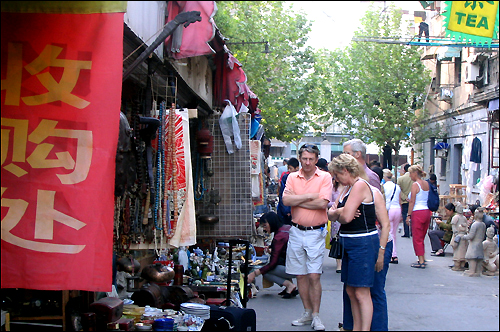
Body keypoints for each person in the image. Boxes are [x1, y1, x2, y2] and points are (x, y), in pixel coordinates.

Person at [328, 153, 389, 331]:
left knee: (362, 292)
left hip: (361, 243)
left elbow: (345, 217)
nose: (336, 179)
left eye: (337, 175)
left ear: (345, 170)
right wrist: (340, 211)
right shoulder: (347, 188)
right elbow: (332, 214)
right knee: (350, 290)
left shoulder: (360, 185)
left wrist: (340, 212)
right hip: (350, 242)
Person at [282, 143, 332, 331]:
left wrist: (300, 199)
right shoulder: (292, 177)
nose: (307, 162)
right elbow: (286, 201)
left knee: (314, 275)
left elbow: (323, 204)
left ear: (316, 159)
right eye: (304, 159)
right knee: (300, 276)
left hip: (316, 233)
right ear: (300, 158)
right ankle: (307, 312)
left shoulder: (325, 176)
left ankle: (316, 316)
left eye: (311, 159)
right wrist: (310, 196)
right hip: (296, 231)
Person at [247, 212, 298, 298]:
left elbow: (273, 264)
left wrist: (254, 273)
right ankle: (289, 285)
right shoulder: (286, 228)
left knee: (266, 272)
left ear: (271, 223)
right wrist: (273, 249)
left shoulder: (279, 237)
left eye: (265, 225)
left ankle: (289, 285)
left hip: (295, 268)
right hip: (298, 265)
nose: (264, 229)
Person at [406, 165, 431, 268]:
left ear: (414, 173)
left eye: (410, 173)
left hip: (417, 212)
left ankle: (421, 261)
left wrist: (408, 215)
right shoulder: (426, 184)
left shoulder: (415, 185)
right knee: (422, 236)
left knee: (417, 237)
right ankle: (423, 257)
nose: (410, 176)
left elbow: (412, 201)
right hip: (426, 211)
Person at [383, 169, 402, 264]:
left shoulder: (384, 186)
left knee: (388, 233)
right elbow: (400, 200)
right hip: (397, 209)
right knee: (394, 233)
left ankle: (392, 254)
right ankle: (394, 253)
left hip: (388, 209)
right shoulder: (397, 187)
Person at [277, 157, 300, 225]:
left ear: (297, 168)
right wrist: (286, 210)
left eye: (291, 168)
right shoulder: (285, 177)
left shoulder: (301, 178)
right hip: (285, 210)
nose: (289, 170)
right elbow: (282, 195)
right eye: (288, 168)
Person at [398, 163, 413, 238]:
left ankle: (406, 232)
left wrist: (404, 197)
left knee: (405, 216)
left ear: (404, 170)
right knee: (412, 215)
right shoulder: (414, 179)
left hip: (404, 201)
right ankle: (412, 232)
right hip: (413, 200)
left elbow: (398, 190)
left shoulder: (400, 179)